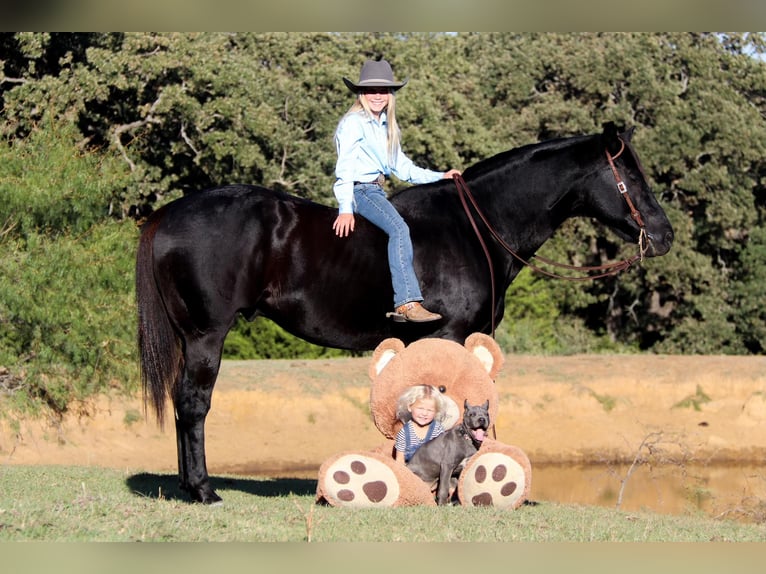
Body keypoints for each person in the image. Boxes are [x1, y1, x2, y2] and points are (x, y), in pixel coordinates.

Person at [332, 58, 461, 322]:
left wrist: (441, 177)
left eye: (383, 91)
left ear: (390, 95)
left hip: (376, 191)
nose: (377, 96)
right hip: (361, 192)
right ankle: (406, 303)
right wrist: (345, 208)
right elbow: (344, 168)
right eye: (371, 90)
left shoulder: (386, 127)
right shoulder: (354, 123)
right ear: (361, 93)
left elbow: (404, 169)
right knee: (400, 228)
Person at [394, 385, 447, 463]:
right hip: (411, 471)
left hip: (433, 471)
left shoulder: (438, 430)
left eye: (430, 410)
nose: (424, 413)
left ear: (436, 411)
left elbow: (445, 456)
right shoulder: (404, 433)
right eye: (420, 408)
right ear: (410, 407)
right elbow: (400, 460)